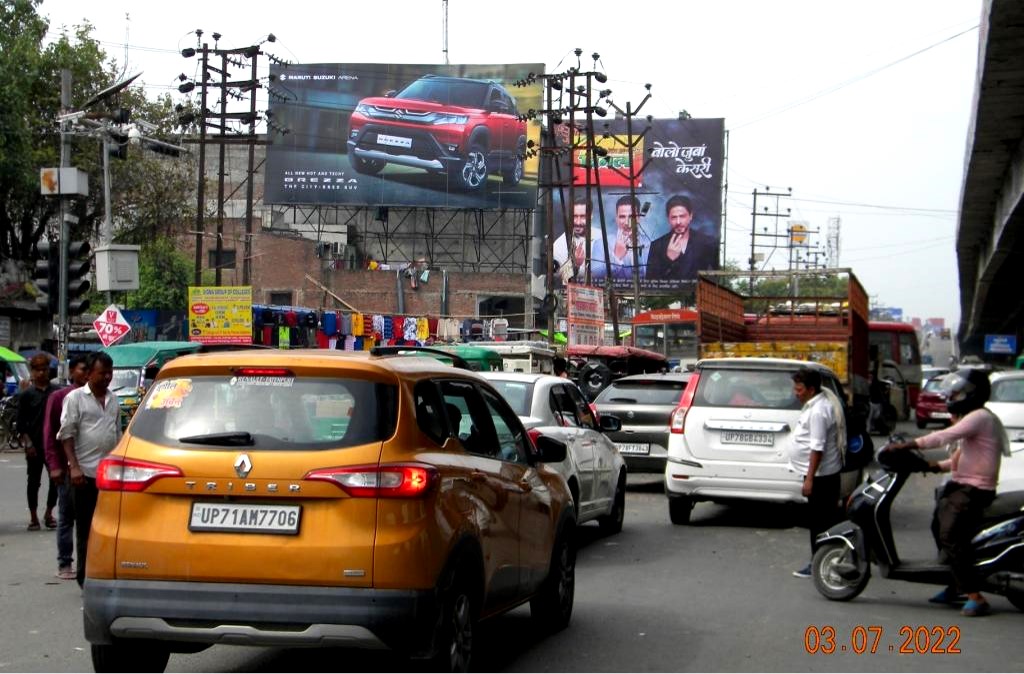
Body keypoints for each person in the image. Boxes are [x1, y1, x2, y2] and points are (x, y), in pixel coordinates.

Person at [889, 369, 1010, 617]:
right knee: (937, 525)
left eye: (959, 391)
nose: (954, 396)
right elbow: (958, 457)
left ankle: (975, 595)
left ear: (972, 393)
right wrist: (930, 466)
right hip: (962, 485)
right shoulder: (976, 418)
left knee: (950, 533)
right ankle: (955, 585)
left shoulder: (979, 417)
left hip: (975, 489)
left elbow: (946, 435)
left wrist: (909, 444)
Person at [57, 352, 121, 587]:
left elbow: (117, 434)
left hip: (107, 476)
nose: (107, 377)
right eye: (102, 372)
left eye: (109, 373)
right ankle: (84, 577)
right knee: (85, 528)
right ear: (90, 373)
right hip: (83, 475)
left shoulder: (113, 400)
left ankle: (103, 572)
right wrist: (73, 467)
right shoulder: (75, 399)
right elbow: (67, 434)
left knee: (107, 527)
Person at [786, 367, 843, 578]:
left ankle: (822, 565)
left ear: (811, 389)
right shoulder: (815, 406)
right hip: (820, 475)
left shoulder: (819, 411)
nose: (796, 393)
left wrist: (809, 479)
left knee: (821, 524)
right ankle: (821, 563)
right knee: (819, 522)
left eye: (799, 389)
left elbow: (817, 447)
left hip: (821, 477)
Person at [44, 355, 89, 580]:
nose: (86, 374)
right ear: (72, 371)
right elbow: (51, 434)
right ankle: (65, 562)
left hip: (91, 468)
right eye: (82, 370)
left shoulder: (100, 398)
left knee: (88, 519)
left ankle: (87, 564)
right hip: (67, 467)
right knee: (66, 516)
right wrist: (55, 466)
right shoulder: (60, 397)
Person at [16, 353, 58, 531]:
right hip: (34, 446)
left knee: (56, 480)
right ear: (32, 372)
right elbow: (21, 423)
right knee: (33, 482)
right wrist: (28, 444)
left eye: (44, 369)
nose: (41, 373)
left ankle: (49, 513)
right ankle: (33, 517)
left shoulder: (56, 392)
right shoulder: (26, 395)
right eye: (38, 370)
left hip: (53, 446)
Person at [645, 195, 719, 281]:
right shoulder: (657, 245)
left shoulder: (707, 242)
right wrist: (668, 260)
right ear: (668, 218)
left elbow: (718, 276)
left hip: (698, 293)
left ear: (690, 216)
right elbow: (651, 282)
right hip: (668, 294)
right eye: (674, 217)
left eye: (682, 216)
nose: (678, 222)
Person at [591, 195, 648, 280]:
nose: (626, 222)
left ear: (638, 218)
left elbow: (654, 275)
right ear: (616, 218)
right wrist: (616, 258)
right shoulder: (601, 243)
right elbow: (595, 275)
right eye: (622, 217)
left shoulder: (649, 244)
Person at [553, 196, 602, 284]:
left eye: (582, 216)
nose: (578, 222)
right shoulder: (559, 245)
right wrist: (575, 265)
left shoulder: (601, 237)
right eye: (574, 216)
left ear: (591, 216)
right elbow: (561, 279)